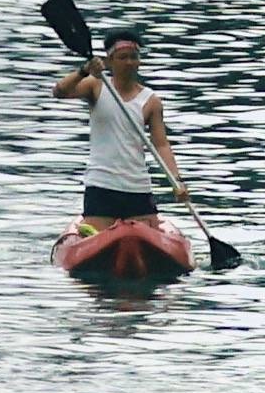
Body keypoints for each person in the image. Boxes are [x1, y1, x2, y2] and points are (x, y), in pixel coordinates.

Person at [51, 24, 189, 237]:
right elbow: (60, 92)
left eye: (134, 57)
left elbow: (161, 144)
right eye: (123, 57)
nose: (129, 63)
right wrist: (83, 70)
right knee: (96, 237)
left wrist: (176, 181)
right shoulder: (95, 86)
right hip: (102, 185)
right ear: (109, 62)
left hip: (137, 187)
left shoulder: (151, 101)